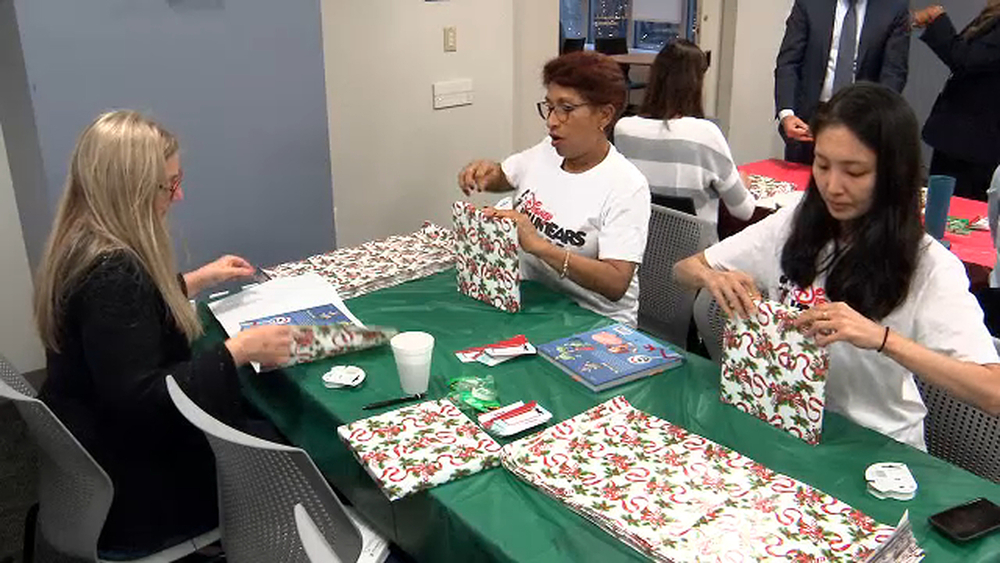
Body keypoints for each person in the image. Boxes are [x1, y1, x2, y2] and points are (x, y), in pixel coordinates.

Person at [674, 83, 1000, 450]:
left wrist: (882, 339)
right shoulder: (793, 223)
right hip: (785, 424)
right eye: (822, 165)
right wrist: (712, 277)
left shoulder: (930, 266)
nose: (832, 186)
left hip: (875, 446)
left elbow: (993, 393)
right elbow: (684, 269)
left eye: (854, 172)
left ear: (893, 175)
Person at [34, 111, 297, 557]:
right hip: (141, 492)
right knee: (288, 443)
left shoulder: (81, 244)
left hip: (97, 457)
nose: (179, 195)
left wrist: (191, 282)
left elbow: (123, 326)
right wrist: (236, 351)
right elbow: (143, 400)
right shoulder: (112, 274)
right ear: (130, 190)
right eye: (169, 185)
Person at [457, 51, 650, 326]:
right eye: (549, 107)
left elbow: (616, 282)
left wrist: (540, 246)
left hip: (594, 322)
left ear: (604, 115)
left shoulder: (626, 186)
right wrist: (488, 173)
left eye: (566, 109)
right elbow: (505, 175)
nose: (552, 121)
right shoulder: (549, 149)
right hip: (534, 302)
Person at [615, 39, 756, 226]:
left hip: (638, 241)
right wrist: (743, 184)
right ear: (696, 84)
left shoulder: (623, 130)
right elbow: (744, 211)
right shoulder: (706, 134)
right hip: (698, 244)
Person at [775, 0, 911, 164]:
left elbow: (894, 72)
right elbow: (789, 62)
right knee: (801, 177)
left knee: (849, 177)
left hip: (863, 121)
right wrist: (787, 114)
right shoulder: (810, 4)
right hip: (809, 120)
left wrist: (877, 120)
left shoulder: (893, 8)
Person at [913, 2, 1000, 201]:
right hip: (958, 138)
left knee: (958, 207)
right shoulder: (992, 13)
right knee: (939, 203)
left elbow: (965, 58)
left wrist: (938, 20)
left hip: (975, 143)